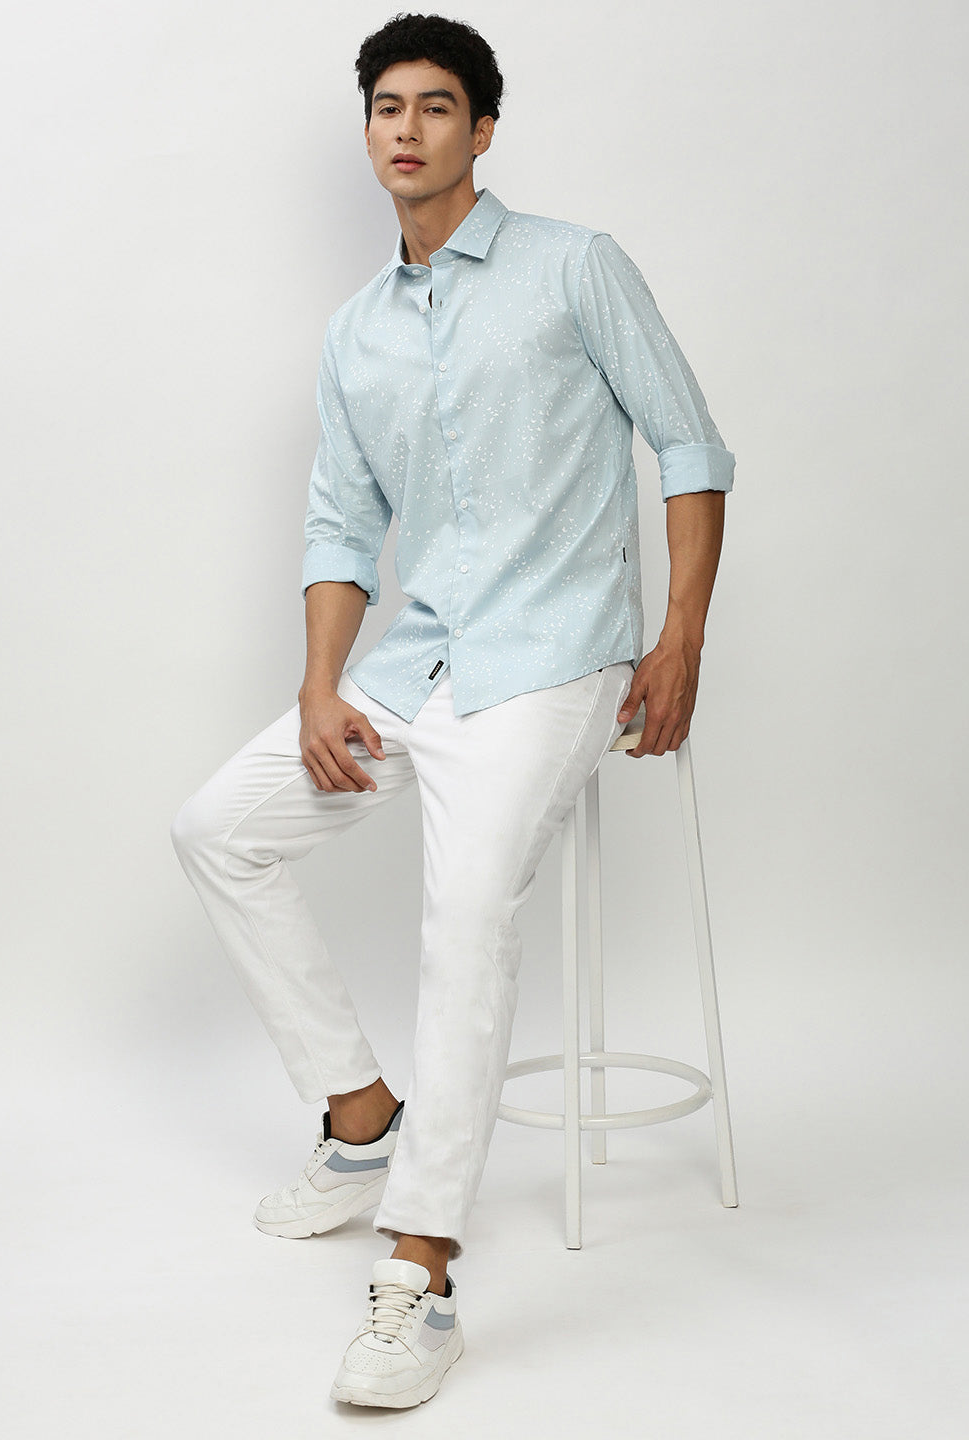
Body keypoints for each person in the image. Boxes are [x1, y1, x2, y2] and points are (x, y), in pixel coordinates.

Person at [171, 11, 734, 1409]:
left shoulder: (575, 267)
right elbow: (340, 525)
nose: (407, 128)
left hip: (553, 661)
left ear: (482, 129)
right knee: (218, 831)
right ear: (368, 134)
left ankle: (420, 1274)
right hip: (411, 664)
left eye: (435, 106)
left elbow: (690, 443)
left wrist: (680, 638)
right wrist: (319, 686)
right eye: (386, 107)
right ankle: (362, 1117)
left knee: (468, 911)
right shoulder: (356, 331)